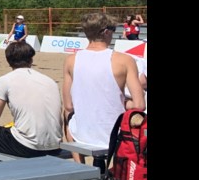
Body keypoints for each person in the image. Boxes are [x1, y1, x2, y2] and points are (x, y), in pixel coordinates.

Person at [62, 13, 146, 159]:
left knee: (66, 114)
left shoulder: (71, 60)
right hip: (116, 134)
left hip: (82, 135)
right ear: (106, 32)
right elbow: (139, 105)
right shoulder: (124, 60)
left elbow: (69, 105)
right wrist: (124, 103)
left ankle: (79, 166)